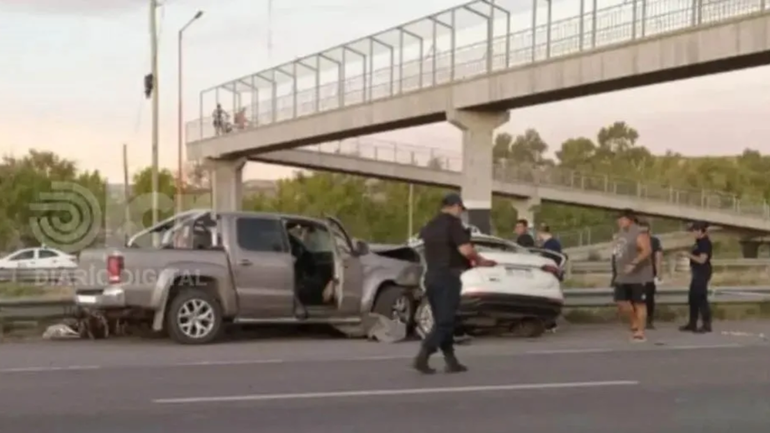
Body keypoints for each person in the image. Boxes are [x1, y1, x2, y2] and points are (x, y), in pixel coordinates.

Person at [412, 193, 497, 374]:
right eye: (460, 209)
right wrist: (480, 260)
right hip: (448, 277)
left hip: (431, 277)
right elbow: (466, 250)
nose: (461, 212)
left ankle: (451, 361)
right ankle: (424, 355)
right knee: (445, 322)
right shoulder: (453, 224)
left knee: (442, 321)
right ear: (456, 206)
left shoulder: (430, 225)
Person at [612, 209, 653, 342]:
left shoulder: (639, 232)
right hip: (622, 275)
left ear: (630, 219)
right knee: (621, 302)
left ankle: (640, 331)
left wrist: (633, 263)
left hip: (639, 275)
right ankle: (635, 320)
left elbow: (646, 250)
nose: (619, 221)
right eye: (618, 219)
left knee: (639, 303)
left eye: (622, 219)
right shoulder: (621, 233)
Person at [679, 221, 713, 333]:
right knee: (693, 298)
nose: (692, 233)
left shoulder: (705, 243)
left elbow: (702, 260)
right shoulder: (698, 242)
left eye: (694, 231)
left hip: (702, 272)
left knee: (701, 298)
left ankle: (706, 324)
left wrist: (688, 255)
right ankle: (692, 323)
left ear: (700, 231)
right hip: (696, 272)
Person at [637, 220, 663, 329]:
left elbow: (658, 257)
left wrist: (659, 272)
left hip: (649, 273)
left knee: (649, 298)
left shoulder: (654, 241)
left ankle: (648, 320)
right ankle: (639, 320)